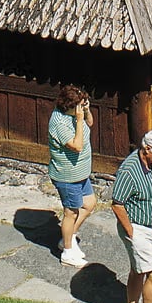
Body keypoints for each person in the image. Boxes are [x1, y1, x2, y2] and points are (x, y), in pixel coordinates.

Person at [110, 129, 152, 303]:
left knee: (138, 271)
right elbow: (117, 204)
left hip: (150, 226)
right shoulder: (129, 171)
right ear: (147, 149)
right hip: (137, 228)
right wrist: (131, 232)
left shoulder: (150, 164)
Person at [47, 85, 96, 267]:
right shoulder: (59, 123)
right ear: (69, 106)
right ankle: (67, 253)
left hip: (81, 173)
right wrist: (79, 118)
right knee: (71, 212)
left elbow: (89, 124)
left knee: (89, 204)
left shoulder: (76, 115)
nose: (81, 109)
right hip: (67, 176)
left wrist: (86, 111)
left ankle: (67, 237)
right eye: (79, 106)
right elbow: (77, 145)